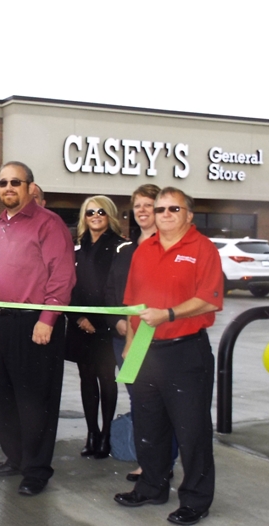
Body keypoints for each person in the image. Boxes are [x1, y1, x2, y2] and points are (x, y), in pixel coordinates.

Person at [114, 187, 222, 526]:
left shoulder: (202, 248)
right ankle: (152, 486)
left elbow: (209, 299)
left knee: (192, 431)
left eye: (173, 209)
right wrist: (130, 343)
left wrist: (169, 314)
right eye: (160, 209)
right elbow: (133, 304)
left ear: (189, 214)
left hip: (185, 351)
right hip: (145, 350)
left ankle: (196, 499)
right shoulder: (143, 250)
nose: (165, 215)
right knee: (149, 424)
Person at [0, 161, 75, 496]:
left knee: (35, 401)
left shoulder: (49, 224)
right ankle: (16, 457)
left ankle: (36, 469)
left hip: (33, 324)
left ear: (30, 188)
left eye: (15, 182)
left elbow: (62, 276)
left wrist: (47, 319)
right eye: (2, 182)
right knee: (3, 396)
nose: (8, 188)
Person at [106, 184, 160, 480]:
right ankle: (147, 458)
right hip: (123, 336)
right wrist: (118, 320)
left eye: (148, 205)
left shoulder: (165, 246)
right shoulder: (125, 250)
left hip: (152, 337)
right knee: (138, 398)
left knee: (155, 401)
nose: (142, 210)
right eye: (137, 205)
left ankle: (157, 462)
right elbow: (113, 290)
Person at [66, 196, 125, 459]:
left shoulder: (120, 247)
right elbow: (68, 285)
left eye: (101, 211)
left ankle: (106, 435)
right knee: (86, 379)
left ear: (109, 215)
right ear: (84, 217)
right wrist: (79, 318)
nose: (96, 216)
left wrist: (104, 321)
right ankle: (91, 433)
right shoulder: (76, 248)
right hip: (81, 325)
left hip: (107, 327)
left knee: (107, 379)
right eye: (90, 212)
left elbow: (118, 288)